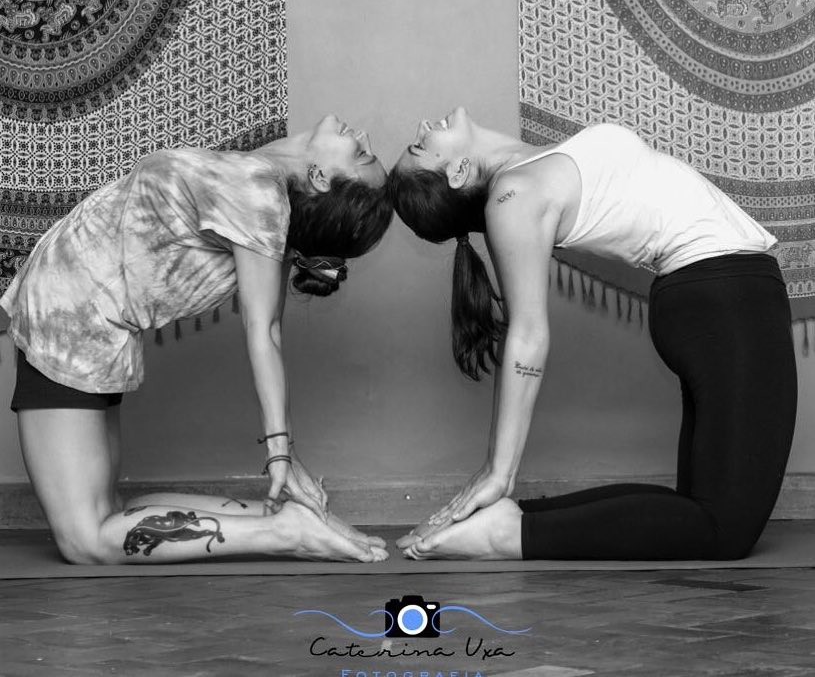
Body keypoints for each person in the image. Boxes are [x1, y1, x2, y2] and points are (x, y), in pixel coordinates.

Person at [388, 106, 797, 561]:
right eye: (420, 146)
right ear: (458, 171)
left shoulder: (525, 169)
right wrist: (498, 471)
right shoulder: (513, 197)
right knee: (725, 530)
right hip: (725, 299)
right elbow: (526, 333)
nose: (423, 126)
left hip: (716, 298)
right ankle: (509, 535)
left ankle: (512, 519)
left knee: (699, 510)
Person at [2, 114, 393, 564]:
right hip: (83, 319)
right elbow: (268, 326)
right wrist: (284, 456)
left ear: (320, 177)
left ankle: (285, 532)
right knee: (105, 514)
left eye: (362, 154)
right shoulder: (267, 188)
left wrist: (281, 454)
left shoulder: (259, 193)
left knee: (86, 541)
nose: (362, 134)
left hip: (68, 322)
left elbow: (265, 330)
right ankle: (286, 518)